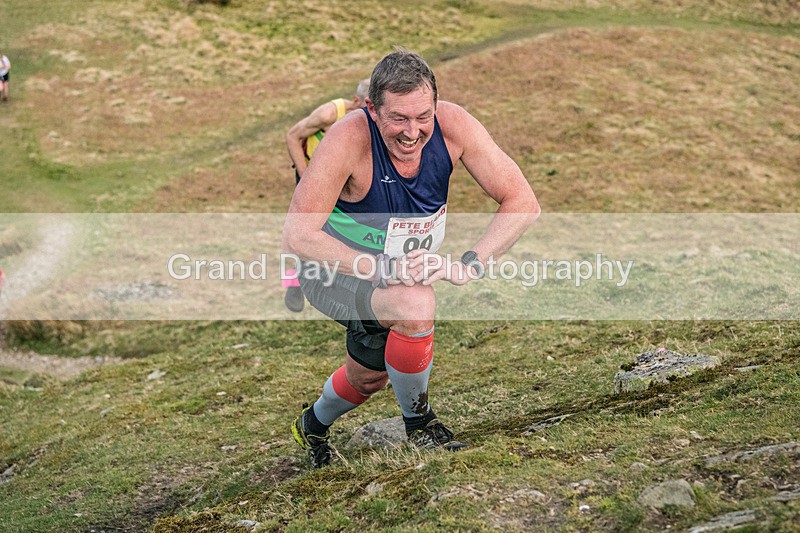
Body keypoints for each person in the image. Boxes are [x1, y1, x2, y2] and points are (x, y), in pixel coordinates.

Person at [282, 48, 539, 468]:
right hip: (332, 269)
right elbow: (297, 234)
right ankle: (421, 428)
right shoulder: (348, 138)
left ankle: (311, 425)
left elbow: (522, 201)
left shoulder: (454, 126)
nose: (412, 132)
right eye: (398, 119)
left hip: (394, 274)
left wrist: (467, 264)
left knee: (370, 377)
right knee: (415, 303)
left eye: (423, 117)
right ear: (372, 109)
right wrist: (381, 267)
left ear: (436, 106)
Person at [282, 79, 371, 313]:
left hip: (334, 183)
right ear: (355, 101)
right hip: (309, 177)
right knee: (300, 233)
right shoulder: (328, 114)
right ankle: (293, 283)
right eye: (367, 105)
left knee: (329, 232)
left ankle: (331, 280)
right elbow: (292, 136)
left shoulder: (368, 122)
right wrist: (305, 178)